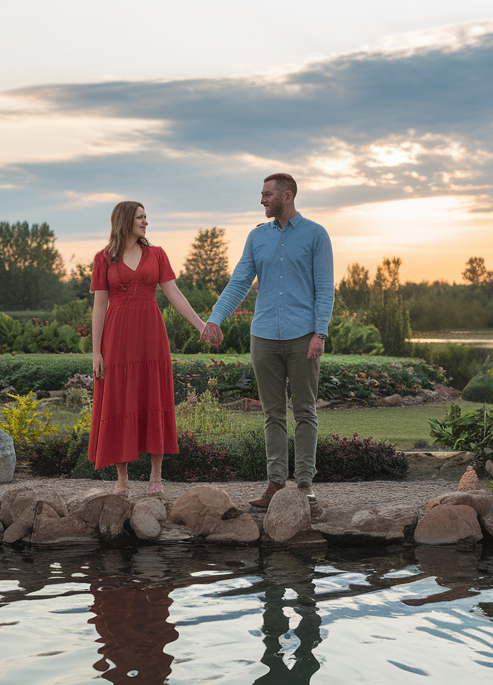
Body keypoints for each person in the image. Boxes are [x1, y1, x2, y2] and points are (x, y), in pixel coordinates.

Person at [200, 173, 334, 509]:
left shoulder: (316, 235)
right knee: (272, 413)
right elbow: (239, 281)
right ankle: (275, 483)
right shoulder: (256, 237)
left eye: (267, 195)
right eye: (262, 194)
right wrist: (215, 318)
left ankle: (303, 485)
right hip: (263, 337)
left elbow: (324, 288)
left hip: (303, 336)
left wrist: (320, 333)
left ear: (286, 196)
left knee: (305, 411)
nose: (262, 200)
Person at [89, 201, 206, 495]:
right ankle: (122, 479)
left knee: (153, 394)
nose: (146, 222)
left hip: (151, 336)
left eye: (146, 217)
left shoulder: (157, 254)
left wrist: (201, 326)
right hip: (116, 339)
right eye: (141, 217)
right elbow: (99, 306)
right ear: (126, 220)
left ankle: (156, 476)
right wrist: (96, 352)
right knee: (119, 398)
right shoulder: (103, 258)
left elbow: (174, 294)